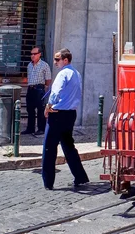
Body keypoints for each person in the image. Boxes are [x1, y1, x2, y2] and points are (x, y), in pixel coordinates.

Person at [41, 48, 89, 191]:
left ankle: (48, 182)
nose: (55, 62)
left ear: (65, 60)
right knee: (68, 146)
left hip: (57, 113)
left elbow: (56, 91)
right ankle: (80, 177)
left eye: (57, 59)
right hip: (70, 114)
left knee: (49, 148)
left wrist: (48, 106)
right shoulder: (77, 74)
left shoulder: (63, 74)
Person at [23, 47, 51, 135]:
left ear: (39, 54)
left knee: (40, 109)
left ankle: (41, 129)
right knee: (30, 109)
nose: (32, 56)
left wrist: (44, 87)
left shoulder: (44, 65)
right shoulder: (29, 65)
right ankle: (30, 128)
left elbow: (48, 79)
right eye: (31, 54)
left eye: (34, 54)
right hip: (30, 88)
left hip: (39, 88)